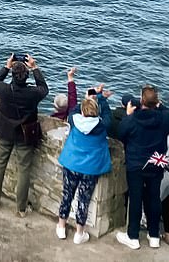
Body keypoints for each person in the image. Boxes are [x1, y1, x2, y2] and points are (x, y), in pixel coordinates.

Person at [115, 86, 169, 251]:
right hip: (155, 163)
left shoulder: (132, 120)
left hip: (136, 163)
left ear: (141, 100)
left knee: (136, 199)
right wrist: (161, 106)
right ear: (157, 102)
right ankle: (154, 236)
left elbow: (121, 134)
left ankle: (133, 236)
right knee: (153, 199)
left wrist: (129, 114)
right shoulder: (164, 118)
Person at [0, 53, 49, 216]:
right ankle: (21, 208)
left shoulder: (3, 90)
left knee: (0, 164)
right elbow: (44, 89)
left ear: (13, 76)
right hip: (25, 135)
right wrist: (35, 67)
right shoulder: (32, 93)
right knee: (24, 170)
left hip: (4, 132)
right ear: (26, 75)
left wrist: (7, 66)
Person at [56, 91, 113, 245]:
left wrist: (88, 98)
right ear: (96, 112)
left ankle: (61, 226)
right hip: (91, 167)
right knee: (83, 200)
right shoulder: (102, 125)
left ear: (82, 111)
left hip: (71, 163)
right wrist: (100, 97)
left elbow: (73, 109)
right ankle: (79, 233)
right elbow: (108, 114)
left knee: (67, 195)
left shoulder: (74, 120)